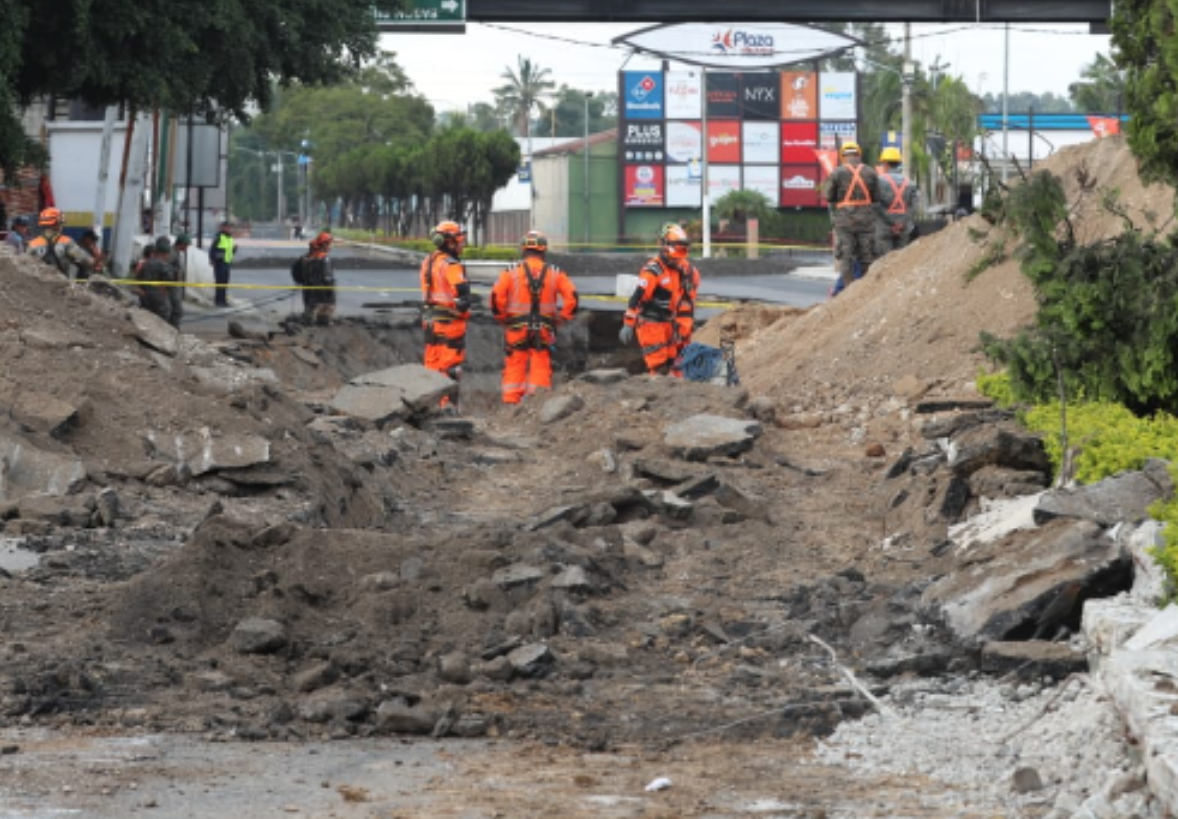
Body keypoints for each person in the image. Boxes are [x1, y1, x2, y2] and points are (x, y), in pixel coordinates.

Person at [490, 230, 578, 404]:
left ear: (524, 249)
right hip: (544, 329)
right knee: (540, 362)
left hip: (515, 328)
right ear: (544, 250)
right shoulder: (556, 273)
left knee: (515, 364)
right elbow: (572, 299)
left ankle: (511, 404)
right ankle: (537, 404)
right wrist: (563, 318)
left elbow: (496, 298)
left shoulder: (510, 272)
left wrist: (502, 318)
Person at [619, 223, 701, 376]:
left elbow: (688, 302)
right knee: (659, 366)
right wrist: (628, 323)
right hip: (651, 324)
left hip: (670, 324)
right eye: (677, 247)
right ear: (664, 245)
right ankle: (657, 394)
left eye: (682, 247)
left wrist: (684, 327)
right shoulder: (653, 271)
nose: (679, 255)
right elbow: (637, 298)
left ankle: (674, 395)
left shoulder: (687, 270)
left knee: (675, 364)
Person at [419, 220, 471, 407]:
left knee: (432, 367)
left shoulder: (428, 261)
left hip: (431, 322)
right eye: (460, 240)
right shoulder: (451, 265)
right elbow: (462, 297)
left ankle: (429, 408)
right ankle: (446, 410)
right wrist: (464, 305)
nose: (462, 245)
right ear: (450, 241)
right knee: (450, 369)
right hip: (450, 324)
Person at [823, 142, 879, 294]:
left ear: (843, 156)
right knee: (866, 254)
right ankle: (867, 289)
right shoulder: (870, 172)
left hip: (844, 221)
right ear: (859, 155)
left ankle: (849, 291)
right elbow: (877, 197)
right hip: (866, 219)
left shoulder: (837, 173)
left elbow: (828, 196)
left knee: (845, 254)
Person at [27, 208, 93, 280]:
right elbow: (85, 259)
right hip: (64, 285)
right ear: (57, 224)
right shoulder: (66, 242)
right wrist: (94, 262)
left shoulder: (32, 244)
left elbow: (26, 266)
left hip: (40, 285)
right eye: (61, 223)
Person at [875, 147, 919, 256]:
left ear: (885, 163)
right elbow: (914, 206)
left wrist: (892, 223)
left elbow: (875, 205)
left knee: (884, 263)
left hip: (884, 228)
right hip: (904, 229)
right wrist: (902, 223)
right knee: (901, 263)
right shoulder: (910, 183)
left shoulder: (879, 182)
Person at [132, 237, 176, 325]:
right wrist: (166, 289)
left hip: (144, 295)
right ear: (165, 253)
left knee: (147, 316)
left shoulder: (146, 263)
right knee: (163, 315)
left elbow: (138, 278)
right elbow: (170, 280)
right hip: (158, 295)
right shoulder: (163, 265)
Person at [299, 231, 336, 325]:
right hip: (322, 284)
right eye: (329, 243)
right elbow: (327, 275)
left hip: (311, 284)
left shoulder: (311, 256)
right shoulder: (324, 258)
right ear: (324, 244)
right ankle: (323, 319)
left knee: (312, 302)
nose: (330, 246)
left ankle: (310, 318)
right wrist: (329, 284)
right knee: (326, 302)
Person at [208, 221, 236, 307]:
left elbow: (229, 250)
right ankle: (218, 301)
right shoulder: (219, 236)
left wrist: (234, 250)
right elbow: (212, 249)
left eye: (230, 227)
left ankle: (223, 300)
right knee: (220, 282)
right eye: (228, 227)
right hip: (220, 263)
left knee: (225, 282)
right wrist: (212, 259)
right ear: (223, 228)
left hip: (227, 262)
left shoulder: (230, 238)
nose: (230, 229)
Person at [168, 233, 191, 326]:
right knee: (177, 310)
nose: (187, 248)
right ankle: (173, 329)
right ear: (181, 244)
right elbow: (166, 268)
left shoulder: (176, 252)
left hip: (175, 285)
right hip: (171, 285)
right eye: (186, 245)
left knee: (176, 309)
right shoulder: (172, 253)